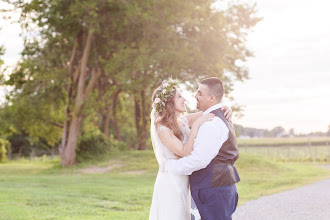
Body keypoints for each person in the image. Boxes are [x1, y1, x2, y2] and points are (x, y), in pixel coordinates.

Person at [149, 78, 232, 220]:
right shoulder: (162, 128)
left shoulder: (182, 121)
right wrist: (195, 127)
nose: (185, 99)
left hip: (184, 177)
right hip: (171, 180)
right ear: (170, 103)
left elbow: (211, 111)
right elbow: (185, 152)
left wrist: (226, 108)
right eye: (180, 96)